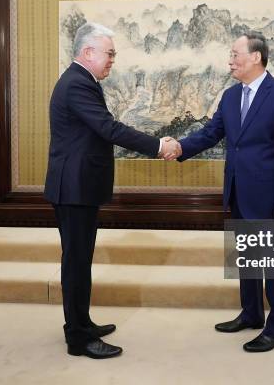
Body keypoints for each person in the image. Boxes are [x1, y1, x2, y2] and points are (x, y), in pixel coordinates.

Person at [44, 22, 179, 359]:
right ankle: (78, 338)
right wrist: (157, 145)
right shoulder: (77, 84)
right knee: (76, 264)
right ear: (88, 52)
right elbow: (107, 128)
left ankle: (82, 323)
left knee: (80, 262)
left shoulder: (81, 80)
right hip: (74, 189)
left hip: (79, 187)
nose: (112, 61)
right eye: (109, 54)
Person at [165, 32, 274, 353]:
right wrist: (178, 147)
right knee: (247, 259)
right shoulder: (230, 97)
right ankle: (252, 313)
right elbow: (211, 133)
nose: (230, 61)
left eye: (235, 54)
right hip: (238, 192)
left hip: (269, 197)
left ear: (256, 57)